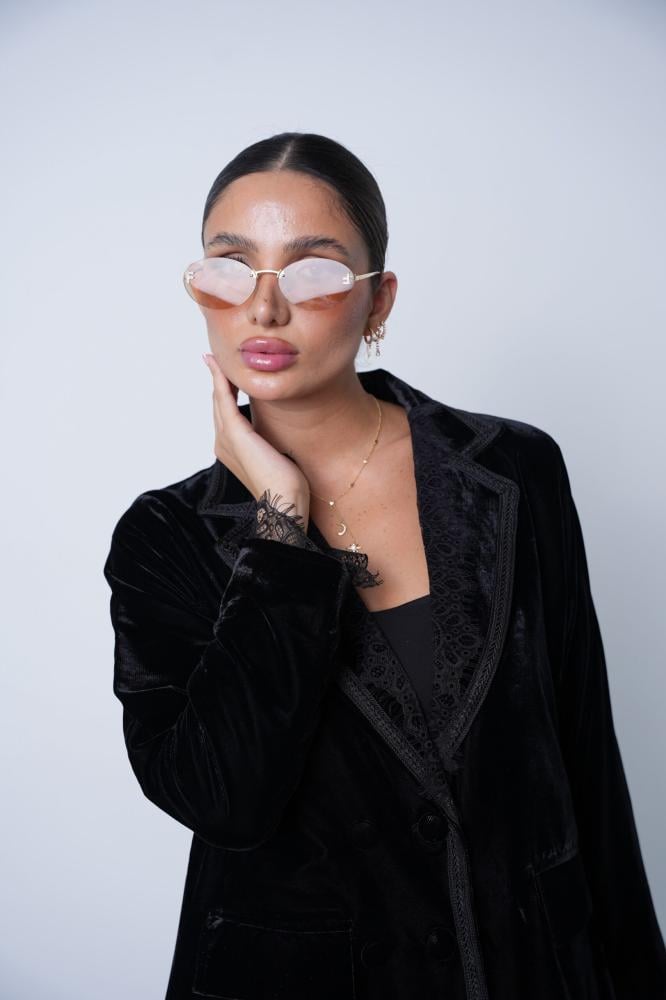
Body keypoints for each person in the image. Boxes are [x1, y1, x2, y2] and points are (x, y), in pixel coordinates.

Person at [103, 132, 666, 1000]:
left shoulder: (513, 470)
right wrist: (280, 525)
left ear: (378, 300)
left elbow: (585, 758)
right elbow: (222, 801)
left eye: (312, 273)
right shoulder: (164, 536)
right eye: (230, 267)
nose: (265, 308)